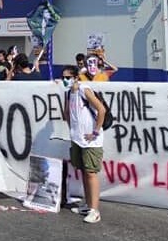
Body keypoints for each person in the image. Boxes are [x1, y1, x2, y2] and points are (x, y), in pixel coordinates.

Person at [63, 65, 106, 224]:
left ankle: (95, 210)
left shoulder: (84, 89)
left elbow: (101, 110)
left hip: (91, 141)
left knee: (91, 173)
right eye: (63, 77)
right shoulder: (68, 93)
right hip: (77, 138)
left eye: (67, 77)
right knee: (83, 171)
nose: (64, 80)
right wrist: (73, 129)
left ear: (75, 77)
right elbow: (67, 113)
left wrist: (95, 131)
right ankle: (88, 205)